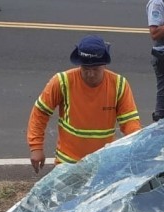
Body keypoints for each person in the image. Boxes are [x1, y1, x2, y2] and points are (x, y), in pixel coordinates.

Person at [27, 35, 142, 173]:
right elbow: (40, 113)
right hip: (68, 163)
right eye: (86, 69)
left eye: (96, 69)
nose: (91, 74)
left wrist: (138, 147)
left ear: (104, 65)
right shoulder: (62, 81)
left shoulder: (119, 84)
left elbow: (130, 123)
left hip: (102, 162)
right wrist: (36, 147)